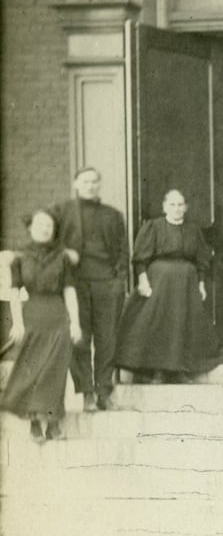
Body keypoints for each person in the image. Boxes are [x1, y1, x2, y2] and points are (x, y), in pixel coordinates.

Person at [115, 189, 220, 382]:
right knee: (159, 322)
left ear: (186, 207)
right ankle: (158, 370)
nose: (177, 209)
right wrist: (143, 280)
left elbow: (201, 260)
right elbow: (140, 258)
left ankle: (180, 369)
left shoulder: (193, 230)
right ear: (164, 207)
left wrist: (201, 283)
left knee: (182, 323)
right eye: (172, 204)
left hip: (187, 284)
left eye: (180, 205)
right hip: (160, 282)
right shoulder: (153, 227)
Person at [2, 209, 82, 440]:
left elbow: (69, 290)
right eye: (40, 224)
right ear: (31, 228)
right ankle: (35, 423)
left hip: (57, 315)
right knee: (33, 368)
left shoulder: (62, 257)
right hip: (32, 315)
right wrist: (16, 322)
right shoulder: (19, 257)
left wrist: (75, 323)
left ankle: (54, 422)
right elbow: (15, 292)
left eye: (49, 225)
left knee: (54, 370)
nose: (45, 229)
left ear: (53, 230)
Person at [54, 167, 127, 412]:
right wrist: (63, 253)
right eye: (85, 181)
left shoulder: (113, 215)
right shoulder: (63, 212)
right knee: (80, 340)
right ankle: (86, 393)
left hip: (107, 283)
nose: (91, 185)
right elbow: (38, 229)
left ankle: (104, 391)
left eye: (95, 181)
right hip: (76, 285)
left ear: (100, 184)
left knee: (108, 339)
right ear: (76, 183)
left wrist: (119, 282)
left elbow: (122, 252)